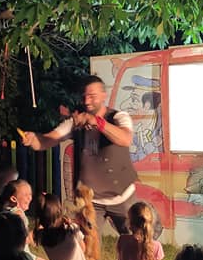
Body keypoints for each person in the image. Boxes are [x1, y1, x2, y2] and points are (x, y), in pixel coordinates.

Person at [22, 75, 137, 235]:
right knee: (85, 244)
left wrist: (98, 122)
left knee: (135, 240)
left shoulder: (118, 117)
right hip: (90, 200)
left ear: (103, 96)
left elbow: (125, 139)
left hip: (122, 197)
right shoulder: (76, 122)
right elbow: (49, 139)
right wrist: (34, 139)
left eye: (92, 96)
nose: (87, 101)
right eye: (84, 97)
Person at [0, 179, 55, 260]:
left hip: (8, 259)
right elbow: (23, 241)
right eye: (26, 195)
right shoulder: (18, 216)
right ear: (14, 198)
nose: (30, 197)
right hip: (22, 259)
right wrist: (38, 230)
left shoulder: (4, 213)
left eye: (30, 194)